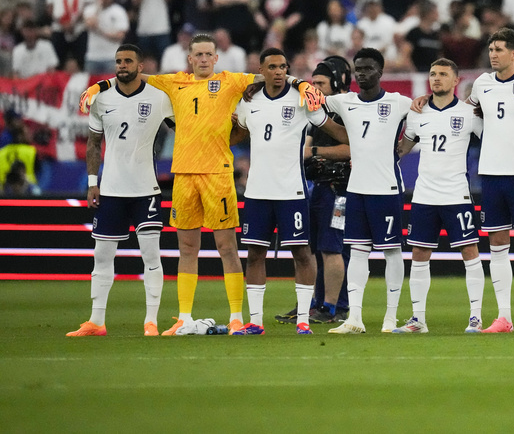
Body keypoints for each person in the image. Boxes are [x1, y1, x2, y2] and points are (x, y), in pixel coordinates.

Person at [78, 33, 323, 336]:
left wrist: (301, 84)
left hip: (218, 174)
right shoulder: (173, 82)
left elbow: (272, 71)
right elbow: (132, 76)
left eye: (209, 54)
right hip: (183, 174)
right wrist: (100, 85)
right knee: (187, 249)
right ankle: (183, 316)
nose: (204, 59)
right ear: (190, 58)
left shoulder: (232, 81)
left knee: (227, 248)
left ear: (216, 58)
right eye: (199, 55)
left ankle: (236, 317)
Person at [233, 48, 348, 336]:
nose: (279, 71)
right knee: (255, 254)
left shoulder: (302, 98)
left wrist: (360, 141)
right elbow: (234, 134)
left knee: (302, 253)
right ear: (261, 70)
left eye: (284, 66)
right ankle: (255, 321)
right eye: (272, 67)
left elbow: (333, 128)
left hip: (292, 191)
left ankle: (303, 320)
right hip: (257, 191)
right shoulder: (249, 101)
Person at [67, 44, 173, 337]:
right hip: (111, 189)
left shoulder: (159, 97)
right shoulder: (100, 98)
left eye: (128, 61)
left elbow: (183, 128)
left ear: (141, 66)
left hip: (146, 189)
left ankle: (151, 321)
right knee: (101, 256)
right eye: (118, 61)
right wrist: (92, 183)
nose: (122, 65)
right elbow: (92, 143)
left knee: (151, 256)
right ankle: (96, 321)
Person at [393, 58, 484, 334]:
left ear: (456, 80)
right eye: (433, 74)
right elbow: (403, 148)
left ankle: (476, 318)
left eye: (443, 74)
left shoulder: (470, 114)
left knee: (470, 251)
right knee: (419, 253)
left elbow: (493, 141)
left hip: (457, 194)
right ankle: (417, 319)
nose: (436, 78)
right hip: (424, 195)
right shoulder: (416, 113)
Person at [324, 47, 411, 335]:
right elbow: (311, 100)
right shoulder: (344, 102)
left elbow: (429, 116)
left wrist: (407, 145)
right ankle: (355, 319)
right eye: (358, 69)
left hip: (387, 189)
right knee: (358, 252)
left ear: (380, 71)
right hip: (357, 189)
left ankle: (390, 318)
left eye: (368, 68)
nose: (362, 73)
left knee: (391, 252)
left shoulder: (399, 103)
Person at [465, 27, 514, 332]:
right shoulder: (481, 84)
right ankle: (504, 316)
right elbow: (469, 115)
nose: (493, 55)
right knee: (497, 245)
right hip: (491, 174)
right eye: (491, 49)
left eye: (499, 49)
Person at [276, 56, 354, 325]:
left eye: (320, 82)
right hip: (317, 186)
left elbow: (354, 147)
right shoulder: (317, 110)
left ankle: (333, 307)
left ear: (337, 81)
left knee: (332, 248)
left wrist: (314, 152)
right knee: (312, 248)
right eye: (313, 82)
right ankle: (309, 304)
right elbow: (306, 143)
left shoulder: (347, 107)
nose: (315, 88)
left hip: (339, 188)